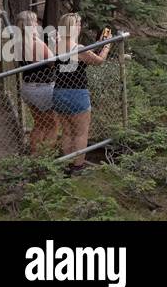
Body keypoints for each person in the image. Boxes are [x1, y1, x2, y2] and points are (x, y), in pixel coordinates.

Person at [53, 14, 112, 174]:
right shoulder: (78, 48)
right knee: (80, 132)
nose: (80, 27)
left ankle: (66, 165)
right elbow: (98, 61)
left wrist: (99, 43)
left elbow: (81, 57)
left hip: (59, 93)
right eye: (78, 24)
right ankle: (78, 167)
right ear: (72, 27)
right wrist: (107, 46)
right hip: (77, 94)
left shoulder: (57, 45)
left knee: (66, 132)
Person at [14, 11, 58, 155]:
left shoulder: (18, 43)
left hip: (28, 88)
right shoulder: (36, 43)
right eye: (34, 22)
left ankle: (35, 156)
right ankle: (47, 159)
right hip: (43, 89)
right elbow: (53, 63)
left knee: (39, 124)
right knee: (52, 125)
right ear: (28, 25)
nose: (37, 25)